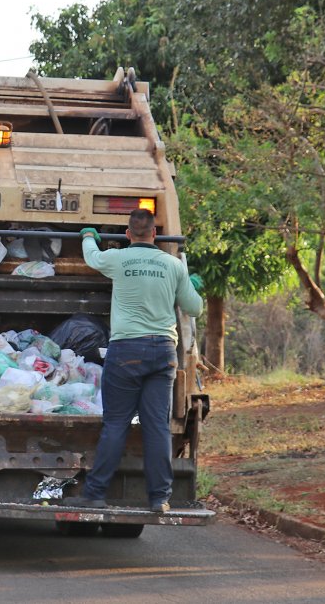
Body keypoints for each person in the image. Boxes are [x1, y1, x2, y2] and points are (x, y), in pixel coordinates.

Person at [64, 209, 203, 513]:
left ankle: (96, 493)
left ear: (128, 234)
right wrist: (191, 285)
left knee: (116, 424)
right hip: (163, 353)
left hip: (126, 352)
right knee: (157, 427)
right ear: (155, 234)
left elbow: (93, 257)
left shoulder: (118, 258)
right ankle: (159, 498)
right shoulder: (172, 265)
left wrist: (88, 235)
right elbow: (194, 307)